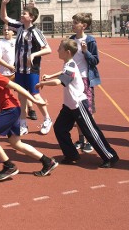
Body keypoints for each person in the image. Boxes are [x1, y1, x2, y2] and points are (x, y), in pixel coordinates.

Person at [0, 50, 59, 181]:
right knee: (16, 143)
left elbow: (16, 86)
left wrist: (35, 100)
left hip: (11, 109)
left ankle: (9, 166)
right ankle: (48, 162)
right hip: (11, 109)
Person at [40, 39, 119, 168]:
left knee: (90, 131)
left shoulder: (70, 65)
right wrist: (50, 75)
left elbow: (60, 81)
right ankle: (71, 155)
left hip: (78, 104)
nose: (57, 50)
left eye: (59, 48)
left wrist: (42, 83)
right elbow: (62, 73)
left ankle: (110, 156)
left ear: (67, 52)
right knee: (60, 128)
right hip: (69, 105)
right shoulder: (68, 64)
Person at [0, 0, 52, 135]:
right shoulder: (19, 27)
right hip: (20, 70)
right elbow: (4, 18)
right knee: (22, 97)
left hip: (32, 70)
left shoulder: (36, 32)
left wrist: (34, 55)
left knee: (35, 96)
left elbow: (48, 49)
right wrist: (4, 4)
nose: (21, 15)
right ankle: (23, 124)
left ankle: (47, 119)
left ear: (31, 17)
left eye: (24, 13)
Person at [69, 13, 101, 153]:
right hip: (73, 79)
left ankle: (90, 140)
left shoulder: (90, 40)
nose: (73, 24)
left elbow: (95, 61)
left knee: (88, 110)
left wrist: (85, 51)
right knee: (76, 109)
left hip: (86, 80)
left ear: (84, 25)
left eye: (76, 22)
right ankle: (81, 139)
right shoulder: (70, 40)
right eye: (73, 21)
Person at [0, 25, 16, 117]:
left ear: (13, 32)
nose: (6, 31)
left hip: (16, 72)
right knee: (0, 92)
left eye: (8, 30)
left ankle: (30, 109)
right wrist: (9, 66)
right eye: (4, 30)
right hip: (4, 72)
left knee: (24, 90)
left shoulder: (17, 42)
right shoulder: (0, 43)